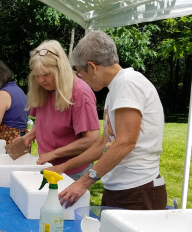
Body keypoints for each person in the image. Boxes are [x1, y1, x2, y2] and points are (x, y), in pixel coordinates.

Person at [49, 31, 167, 211]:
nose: (80, 78)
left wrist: (83, 182)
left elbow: (125, 142)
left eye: (80, 72)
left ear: (92, 66)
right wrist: (63, 166)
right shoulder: (117, 87)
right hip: (121, 188)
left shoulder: (128, 84)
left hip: (137, 190)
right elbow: (105, 143)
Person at [18, 40, 100, 180]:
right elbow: (44, 123)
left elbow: (92, 140)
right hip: (47, 164)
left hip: (72, 170)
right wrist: (28, 137)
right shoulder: (43, 89)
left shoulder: (80, 92)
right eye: (37, 75)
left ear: (60, 69)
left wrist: (54, 153)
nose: (41, 80)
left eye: (46, 74)